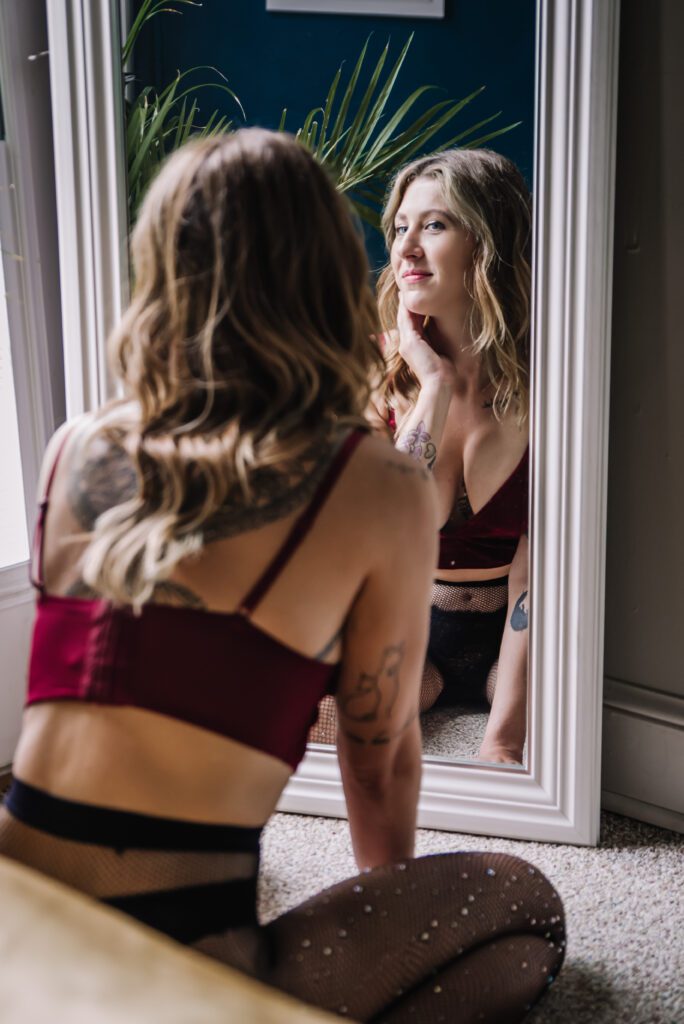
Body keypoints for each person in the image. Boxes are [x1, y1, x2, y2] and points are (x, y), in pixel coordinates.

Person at [0, 130, 563, 1022]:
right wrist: (391, 919)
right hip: (176, 973)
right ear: (327, 271)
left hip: (16, 929)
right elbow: (375, 773)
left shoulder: (75, 447)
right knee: (528, 912)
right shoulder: (367, 483)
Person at [376, 147, 532, 765]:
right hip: (412, 634)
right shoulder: (379, 369)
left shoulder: (549, 381)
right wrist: (432, 386)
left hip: (515, 643)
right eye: (399, 226)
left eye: (434, 225)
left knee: (565, 728)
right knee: (331, 726)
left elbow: (537, 576)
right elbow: (390, 531)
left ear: (486, 242)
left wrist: (502, 740)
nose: (406, 247)